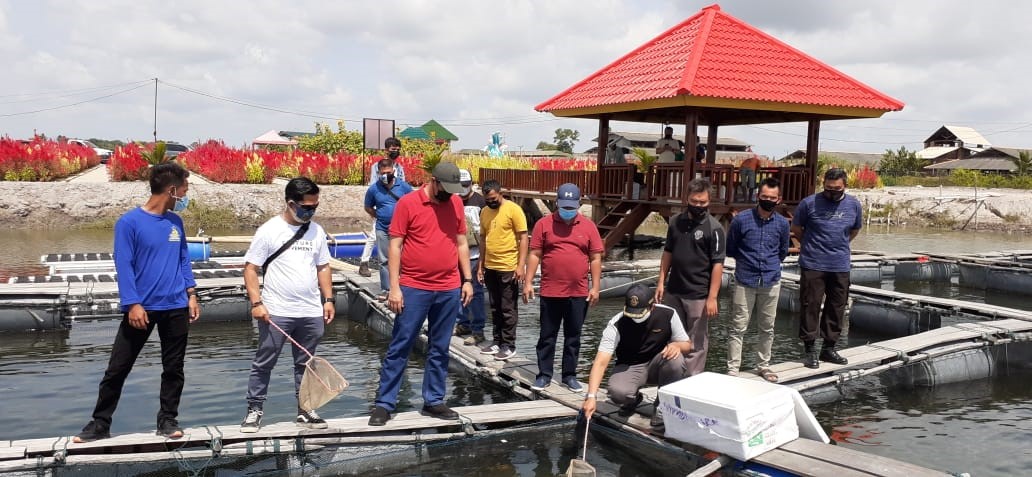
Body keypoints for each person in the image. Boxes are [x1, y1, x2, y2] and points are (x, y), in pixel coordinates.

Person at [73, 162, 201, 443]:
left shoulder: (176, 222)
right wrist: (132, 304)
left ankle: (167, 420)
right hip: (142, 308)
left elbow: (183, 259)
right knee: (118, 367)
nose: (186, 195)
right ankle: (100, 423)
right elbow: (124, 265)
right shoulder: (129, 223)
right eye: (184, 189)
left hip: (176, 306)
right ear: (171, 190)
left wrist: (191, 294)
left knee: (174, 368)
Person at [368, 162, 475, 426]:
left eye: (454, 191)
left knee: (440, 346)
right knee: (401, 344)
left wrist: (467, 280)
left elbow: (461, 242)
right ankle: (384, 403)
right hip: (414, 286)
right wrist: (394, 287)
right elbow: (395, 246)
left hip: (448, 287)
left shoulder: (455, 203)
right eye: (445, 189)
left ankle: (434, 400)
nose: (449, 195)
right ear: (433, 181)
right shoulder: (408, 203)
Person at [239, 177, 336, 433]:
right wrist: (257, 302)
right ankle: (254, 410)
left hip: (310, 311)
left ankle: (305, 409)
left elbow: (323, 266)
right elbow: (250, 269)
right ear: (291, 204)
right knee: (264, 362)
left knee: (306, 364)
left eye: (315, 207)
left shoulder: (316, 231)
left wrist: (328, 299)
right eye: (306, 207)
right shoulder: (269, 230)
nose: (311, 212)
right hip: (277, 311)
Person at [523, 183, 603, 393]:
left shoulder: (589, 226)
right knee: (547, 336)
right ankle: (544, 375)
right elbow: (535, 254)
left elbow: (595, 258)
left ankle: (569, 375)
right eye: (564, 206)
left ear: (579, 204)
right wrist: (528, 282)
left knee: (573, 337)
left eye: (571, 207)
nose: (567, 210)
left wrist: (595, 287)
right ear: (557, 203)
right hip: (550, 291)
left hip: (578, 292)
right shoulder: (543, 224)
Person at [581, 284, 691, 429]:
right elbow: (600, 362)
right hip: (630, 365)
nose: (634, 317)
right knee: (617, 393)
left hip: (658, 363)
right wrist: (591, 397)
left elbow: (687, 345)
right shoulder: (616, 323)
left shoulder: (668, 314)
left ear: (652, 306)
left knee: (676, 361)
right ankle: (632, 399)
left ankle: (663, 407)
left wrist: (677, 345)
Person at [791, 168, 863, 369]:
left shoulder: (854, 205)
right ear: (823, 185)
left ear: (845, 186)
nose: (832, 192)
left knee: (837, 305)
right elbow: (796, 229)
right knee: (810, 305)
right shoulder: (808, 203)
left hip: (839, 264)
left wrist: (839, 245)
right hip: (813, 263)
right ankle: (810, 349)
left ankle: (828, 348)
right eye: (828, 188)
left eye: (836, 189)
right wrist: (811, 245)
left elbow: (854, 230)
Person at [655, 178, 725, 377]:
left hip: (698, 294)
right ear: (687, 199)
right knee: (673, 336)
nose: (698, 205)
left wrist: (712, 297)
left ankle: (692, 379)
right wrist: (661, 282)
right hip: (674, 291)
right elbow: (668, 253)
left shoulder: (715, 228)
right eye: (694, 201)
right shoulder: (675, 222)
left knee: (696, 341)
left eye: (703, 202)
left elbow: (718, 264)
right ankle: (672, 375)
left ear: (709, 201)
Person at [725, 178, 790, 381]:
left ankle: (763, 365)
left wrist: (770, 264)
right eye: (764, 196)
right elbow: (731, 248)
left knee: (767, 327)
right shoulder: (741, 220)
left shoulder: (782, 223)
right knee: (738, 326)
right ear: (757, 196)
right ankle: (733, 369)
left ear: (778, 199)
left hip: (771, 279)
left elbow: (783, 251)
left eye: (772, 197)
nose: (768, 200)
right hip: (745, 278)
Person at [477, 179, 528, 361]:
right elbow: (483, 240)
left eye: (493, 199)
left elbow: (523, 238)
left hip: (508, 266)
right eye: (487, 199)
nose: (491, 202)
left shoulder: (514, 210)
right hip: (490, 266)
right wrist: (481, 265)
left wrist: (521, 265)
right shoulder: (484, 211)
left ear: (501, 194)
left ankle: (508, 344)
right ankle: (497, 341)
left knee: (508, 307)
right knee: (495, 306)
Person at [363, 158, 413, 300]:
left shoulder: (404, 187)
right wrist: (379, 215)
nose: (386, 175)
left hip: (402, 230)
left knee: (404, 258)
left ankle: (403, 287)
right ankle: (386, 289)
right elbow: (368, 207)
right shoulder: (374, 189)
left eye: (389, 172)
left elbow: (413, 204)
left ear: (393, 171)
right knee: (384, 260)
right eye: (383, 173)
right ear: (378, 173)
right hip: (383, 228)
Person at [358, 137, 405, 277]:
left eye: (397, 149)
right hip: (381, 204)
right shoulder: (377, 167)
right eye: (393, 149)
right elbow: (374, 185)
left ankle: (399, 267)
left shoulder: (399, 168)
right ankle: (364, 262)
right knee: (374, 235)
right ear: (386, 150)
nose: (395, 151)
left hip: (397, 208)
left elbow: (403, 184)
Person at [454, 169, 489, 346]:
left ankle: (478, 330)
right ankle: (463, 323)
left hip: (475, 255)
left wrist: (484, 260)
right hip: (456, 255)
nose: (463, 188)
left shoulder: (480, 202)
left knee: (475, 292)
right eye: (460, 185)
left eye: (466, 185)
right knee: (458, 290)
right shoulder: (452, 200)